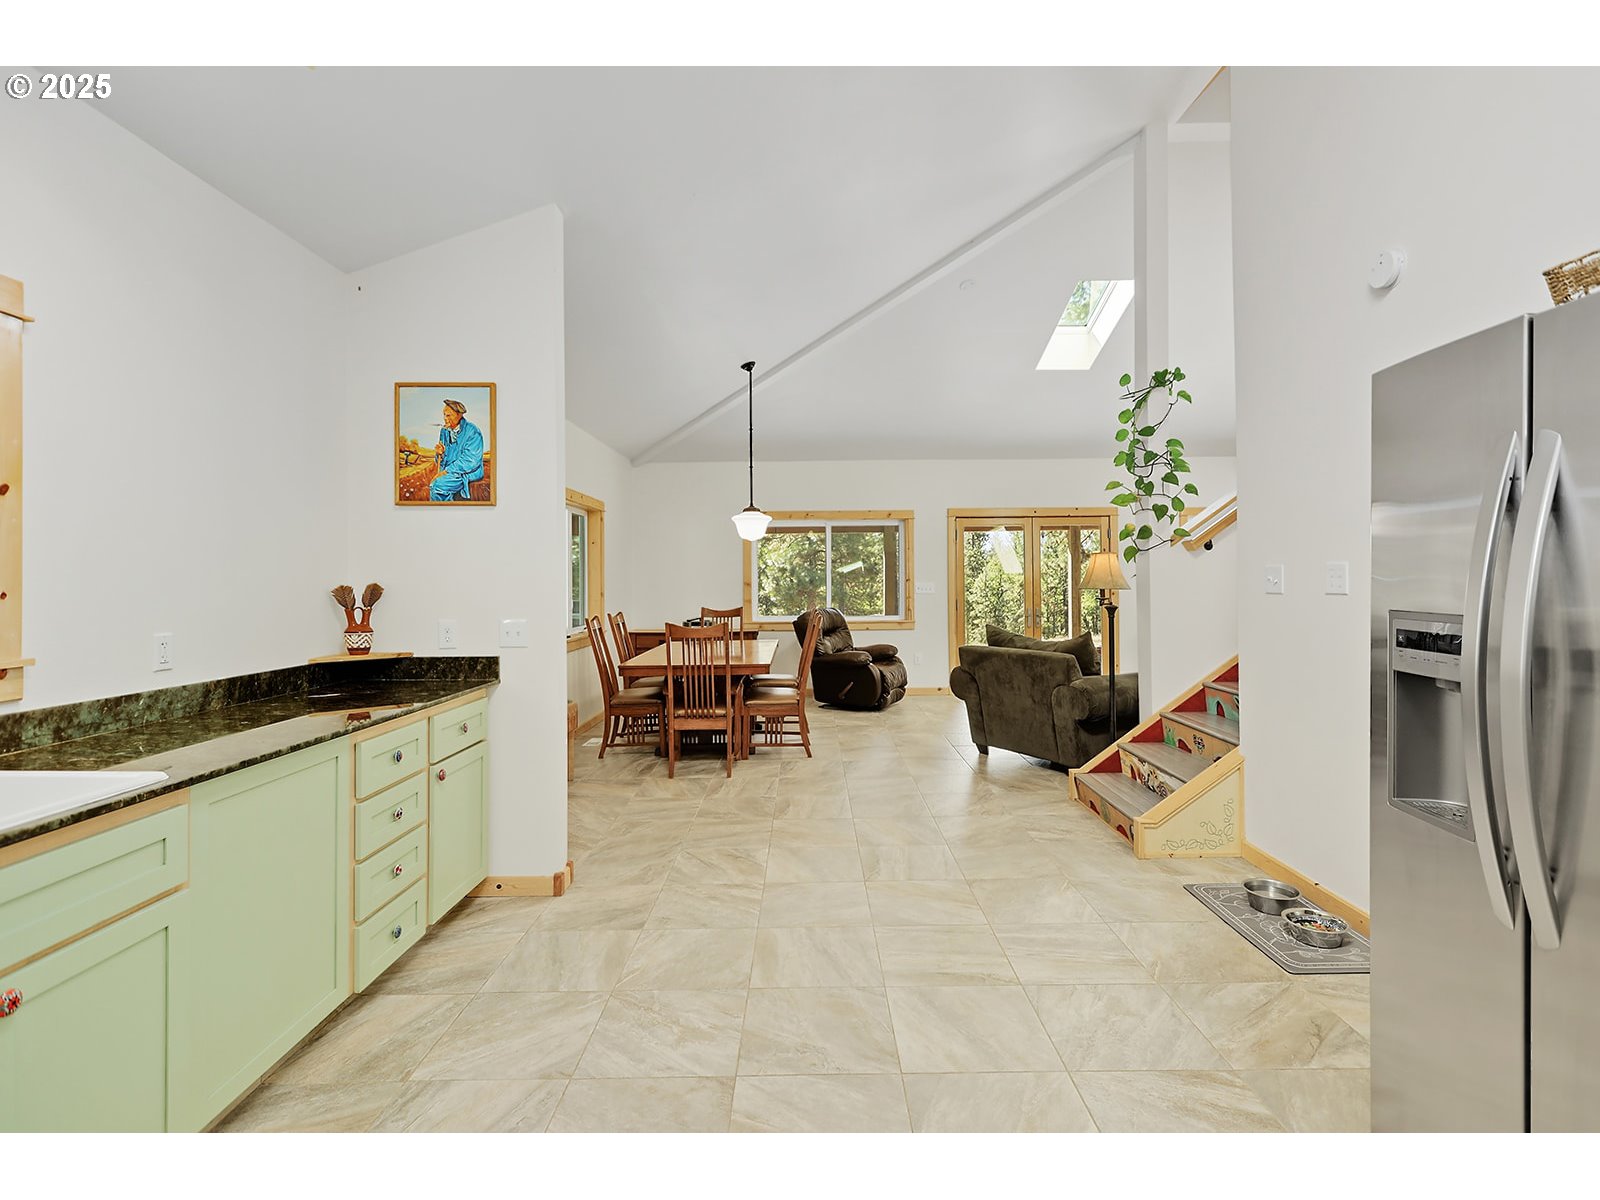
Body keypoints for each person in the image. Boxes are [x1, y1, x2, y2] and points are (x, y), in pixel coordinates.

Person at [430, 399, 485, 501]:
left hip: (467, 472)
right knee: (435, 484)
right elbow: (440, 461)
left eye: (448, 415)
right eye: (444, 415)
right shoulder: (444, 431)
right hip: (450, 472)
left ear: (459, 415)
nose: (445, 419)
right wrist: (439, 454)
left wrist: (446, 471)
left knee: (438, 486)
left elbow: (470, 461)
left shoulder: (473, 431)